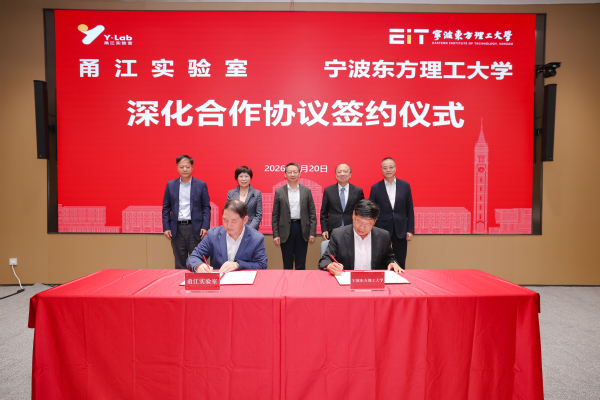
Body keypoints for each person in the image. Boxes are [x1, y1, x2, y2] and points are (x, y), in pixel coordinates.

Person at [318, 199, 401, 275]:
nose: (362, 227)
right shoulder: (338, 234)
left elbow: (389, 258)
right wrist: (330, 265)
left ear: (375, 221)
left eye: (367, 224)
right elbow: (325, 259)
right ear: (353, 215)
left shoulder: (384, 236)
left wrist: (392, 263)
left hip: (373, 281)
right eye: (359, 221)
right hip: (347, 281)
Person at [186, 200, 268, 272]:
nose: (228, 225)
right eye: (225, 220)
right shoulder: (213, 235)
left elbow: (261, 265)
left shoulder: (256, 238)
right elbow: (193, 257)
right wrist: (198, 266)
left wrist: (238, 265)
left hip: (244, 282)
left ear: (245, 220)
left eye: (233, 221)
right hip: (219, 281)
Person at [162, 155, 211, 269]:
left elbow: (206, 207)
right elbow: (166, 208)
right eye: (181, 167)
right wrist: (166, 227)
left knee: (197, 261)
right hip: (177, 229)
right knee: (180, 262)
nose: (184, 169)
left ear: (192, 168)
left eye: (187, 167)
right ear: (177, 168)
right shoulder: (171, 185)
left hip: (195, 229)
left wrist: (205, 226)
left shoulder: (201, 185)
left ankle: (198, 280)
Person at [369, 157, 414, 270]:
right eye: (385, 168)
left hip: (401, 229)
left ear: (395, 168)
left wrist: (410, 230)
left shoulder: (405, 185)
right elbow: (372, 211)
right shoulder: (375, 187)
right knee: (381, 259)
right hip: (381, 229)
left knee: (400, 260)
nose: (388, 170)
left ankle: (400, 279)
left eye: (390, 167)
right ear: (381, 170)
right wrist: (371, 229)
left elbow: (410, 209)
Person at [272, 163, 317, 270]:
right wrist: (276, 234)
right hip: (285, 230)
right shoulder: (279, 192)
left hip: (302, 229)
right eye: (290, 172)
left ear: (299, 174)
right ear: (285, 174)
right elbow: (275, 215)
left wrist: (312, 232)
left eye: (295, 172)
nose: (292, 174)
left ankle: (300, 281)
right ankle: (287, 281)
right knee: (287, 263)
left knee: (301, 263)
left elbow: (312, 213)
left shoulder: (306, 191)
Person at [320, 163, 364, 240]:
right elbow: (323, 213)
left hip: (353, 229)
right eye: (339, 172)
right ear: (336, 175)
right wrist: (324, 229)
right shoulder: (328, 190)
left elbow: (362, 212)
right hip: (333, 229)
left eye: (345, 171)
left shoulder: (358, 191)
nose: (342, 174)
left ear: (350, 174)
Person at [226, 166, 263, 230]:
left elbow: (258, 215)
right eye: (241, 176)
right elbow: (228, 212)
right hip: (234, 229)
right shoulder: (231, 193)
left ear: (250, 178)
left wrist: (249, 229)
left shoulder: (257, 193)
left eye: (246, 176)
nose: (244, 179)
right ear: (236, 178)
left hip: (251, 230)